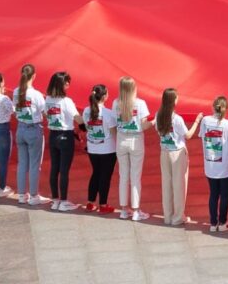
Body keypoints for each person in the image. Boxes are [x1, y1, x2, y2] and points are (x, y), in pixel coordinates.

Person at [156, 88, 201, 226]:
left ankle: (168, 216)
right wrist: (197, 122)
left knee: (166, 185)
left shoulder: (159, 115)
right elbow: (187, 135)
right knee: (179, 185)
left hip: (164, 152)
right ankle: (177, 217)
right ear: (173, 100)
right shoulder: (177, 119)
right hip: (177, 153)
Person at [199, 95, 228, 232]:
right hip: (224, 167)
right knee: (224, 195)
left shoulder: (205, 121)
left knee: (213, 194)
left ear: (213, 107)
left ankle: (213, 223)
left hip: (210, 165)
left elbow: (202, 135)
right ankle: (222, 222)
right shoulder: (227, 124)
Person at [113, 76, 152, 220]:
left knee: (123, 175)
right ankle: (136, 210)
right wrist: (154, 122)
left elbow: (113, 121)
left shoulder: (116, 103)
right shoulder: (140, 104)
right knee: (135, 176)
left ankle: (124, 209)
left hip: (121, 139)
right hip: (136, 140)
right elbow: (144, 125)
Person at [12, 63, 48, 205]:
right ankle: (33, 196)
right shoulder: (36, 94)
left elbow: (15, 109)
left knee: (22, 163)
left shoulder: (16, 91)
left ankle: (22, 195)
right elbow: (45, 111)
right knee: (34, 164)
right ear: (34, 76)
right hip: (33, 129)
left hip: (20, 128)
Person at [43, 70, 78, 210]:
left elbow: (46, 114)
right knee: (64, 170)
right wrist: (84, 126)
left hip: (53, 135)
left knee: (54, 168)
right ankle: (63, 201)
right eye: (66, 82)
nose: (68, 84)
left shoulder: (48, 99)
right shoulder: (66, 101)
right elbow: (77, 117)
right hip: (65, 136)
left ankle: (55, 200)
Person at [82, 83, 117, 213]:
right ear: (104, 96)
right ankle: (103, 204)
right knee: (105, 177)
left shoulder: (86, 111)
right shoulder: (109, 114)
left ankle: (90, 202)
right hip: (108, 150)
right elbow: (114, 133)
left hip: (92, 148)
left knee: (96, 173)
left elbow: (86, 126)